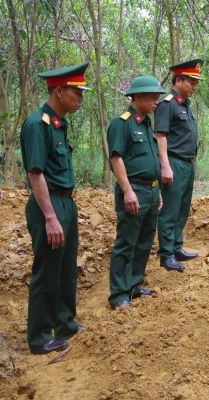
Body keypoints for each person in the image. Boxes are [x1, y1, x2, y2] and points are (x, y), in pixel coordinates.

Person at [20, 62, 90, 354]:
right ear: (59, 91)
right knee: (48, 270)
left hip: (66, 202)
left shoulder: (59, 124)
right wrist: (50, 217)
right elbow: (35, 174)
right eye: (77, 92)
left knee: (65, 269)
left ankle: (64, 321)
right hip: (48, 204)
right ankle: (39, 337)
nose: (81, 99)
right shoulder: (38, 124)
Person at [106, 76, 165, 310]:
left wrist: (157, 189)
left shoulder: (146, 124)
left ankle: (134, 285)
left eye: (158, 97)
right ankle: (119, 294)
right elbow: (116, 158)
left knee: (144, 241)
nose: (156, 102)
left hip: (150, 190)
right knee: (127, 241)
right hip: (133, 190)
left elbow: (150, 159)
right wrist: (127, 191)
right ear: (137, 97)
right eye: (152, 97)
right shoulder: (122, 123)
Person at [154, 59, 202, 272]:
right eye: (191, 81)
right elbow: (161, 136)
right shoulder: (168, 103)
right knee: (170, 209)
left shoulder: (185, 104)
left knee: (182, 208)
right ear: (179, 80)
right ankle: (166, 254)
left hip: (187, 165)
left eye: (196, 82)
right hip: (173, 162)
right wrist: (165, 165)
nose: (194, 86)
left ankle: (176, 247)